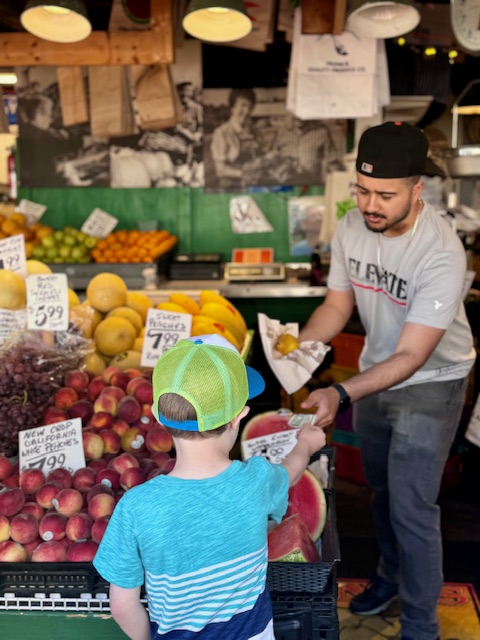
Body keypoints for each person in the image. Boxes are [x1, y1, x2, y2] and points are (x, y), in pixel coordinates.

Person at [297, 121, 476, 640]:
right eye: (362, 189)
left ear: (417, 190)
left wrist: (339, 390)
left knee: (412, 505)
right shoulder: (353, 227)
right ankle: (390, 578)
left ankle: (421, 627)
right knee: (378, 492)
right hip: (376, 374)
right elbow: (337, 305)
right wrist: (300, 354)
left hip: (432, 378)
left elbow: (415, 355)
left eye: (385, 195)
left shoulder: (440, 251)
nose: (370, 204)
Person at [93, 334, 326, 640]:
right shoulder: (255, 481)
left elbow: (122, 605)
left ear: (160, 420)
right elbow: (292, 472)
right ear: (238, 418)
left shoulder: (136, 506)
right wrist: (305, 445)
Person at [210, 88, 259, 189]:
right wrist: (245, 174)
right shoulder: (221, 133)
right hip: (230, 185)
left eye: (250, 107)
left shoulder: (254, 131)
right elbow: (220, 170)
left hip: (252, 182)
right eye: (243, 105)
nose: (246, 111)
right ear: (232, 107)